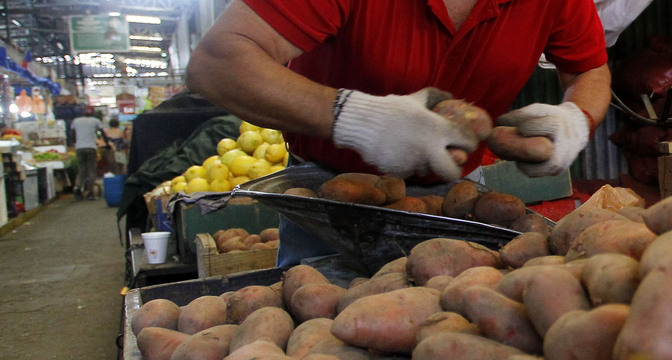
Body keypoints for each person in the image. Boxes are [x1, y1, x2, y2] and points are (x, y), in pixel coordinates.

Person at [185, 0, 611, 267]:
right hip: (329, 201)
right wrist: (359, 118)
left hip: (454, 200)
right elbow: (218, 62)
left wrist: (576, 120)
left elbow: (590, 67)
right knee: (319, 329)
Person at [70, 106, 104, 200]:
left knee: (81, 170)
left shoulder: (76, 121)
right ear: (93, 113)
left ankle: (77, 188)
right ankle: (90, 192)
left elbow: (72, 133)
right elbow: (102, 133)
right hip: (91, 147)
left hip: (79, 148)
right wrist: (107, 143)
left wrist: (74, 143)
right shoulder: (95, 120)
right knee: (91, 170)